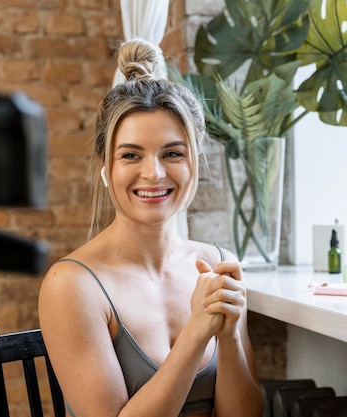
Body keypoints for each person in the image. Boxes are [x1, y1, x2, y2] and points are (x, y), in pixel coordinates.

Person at [38, 38, 264, 417]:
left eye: (173, 153)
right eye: (131, 155)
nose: (154, 173)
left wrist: (227, 338)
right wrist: (196, 332)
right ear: (107, 171)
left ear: (194, 163)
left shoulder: (219, 263)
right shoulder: (72, 286)